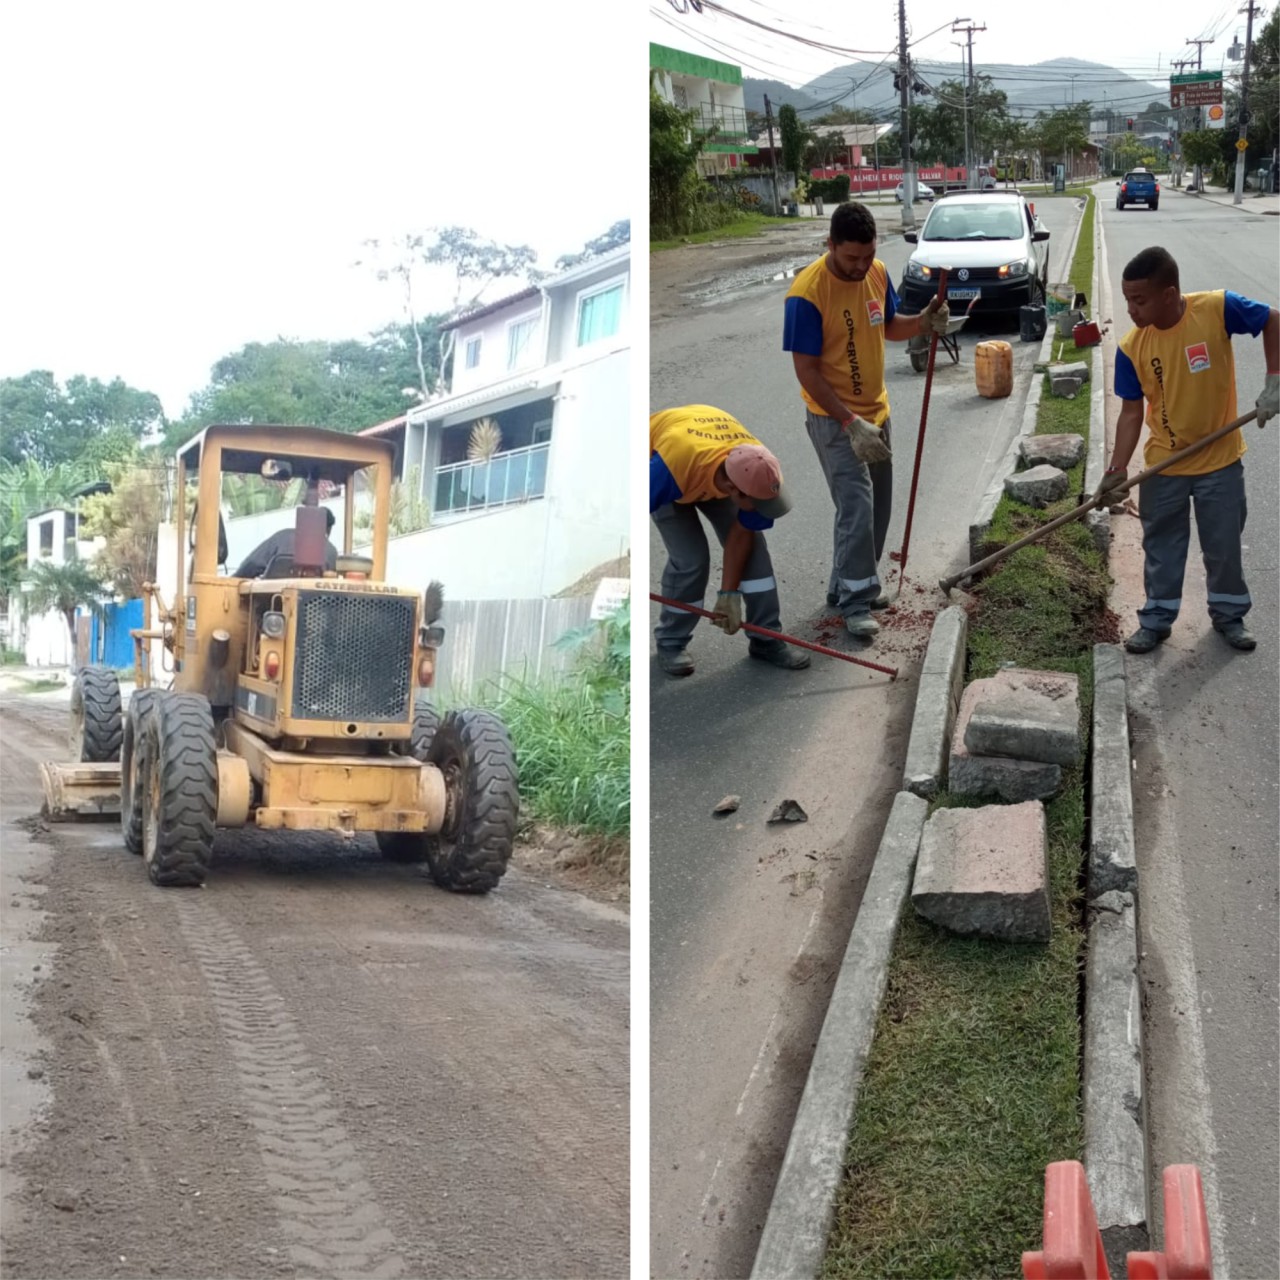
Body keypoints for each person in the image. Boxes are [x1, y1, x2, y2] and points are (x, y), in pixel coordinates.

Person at [1096, 246, 1278, 654]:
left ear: (1168, 294)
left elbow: (1272, 319)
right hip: (1164, 465)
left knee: (1224, 546)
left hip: (1221, 461)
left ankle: (1230, 616)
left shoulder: (1217, 309)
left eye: (1138, 300)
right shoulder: (1131, 346)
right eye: (1126, 300)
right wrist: (1117, 469)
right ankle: (1157, 619)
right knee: (1161, 547)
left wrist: (1275, 380)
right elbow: (1130, 413)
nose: (1131, 309)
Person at [783, 201, 949, 639]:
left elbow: (890, 325)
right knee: (856, 506)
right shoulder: (807, 293)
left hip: (877, 412)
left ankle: (849, 583)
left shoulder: (875, 273)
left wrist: (925, 324)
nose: (860, 267)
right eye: (851, 258)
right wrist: (849, 422)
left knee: (878, 510)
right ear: (830, 245)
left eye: (868, 255)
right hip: (834, 419)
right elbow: (807, 371)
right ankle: (857, 602)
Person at [650, 404, 809, 677]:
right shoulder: (665, 471)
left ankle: (766, 638)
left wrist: (728, 594)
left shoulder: (761, 468)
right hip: (674, 467)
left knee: (756, 555)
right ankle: (671, 642)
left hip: (710, 457)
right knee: (691, 559)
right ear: (733, 490)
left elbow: (740, 537)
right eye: (754, 503)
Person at [235, 507, 340, 578]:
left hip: (270, 603)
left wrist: (235, 578)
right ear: (328, 529)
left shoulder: (281, 537)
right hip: (312, 608)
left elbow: (251, 564)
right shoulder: (331, 552)